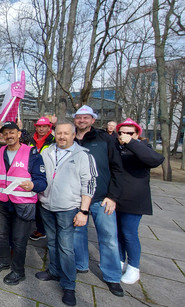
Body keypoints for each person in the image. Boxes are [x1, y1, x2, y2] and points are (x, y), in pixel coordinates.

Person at [36, 121, 97, 306]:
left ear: (73, 135)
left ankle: (69, 285)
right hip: (46, 205)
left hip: (68, 208)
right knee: (52, 242)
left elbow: (90, 183)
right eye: (59, 133)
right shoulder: (46, 151)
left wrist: (83, 211)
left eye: (66, 133)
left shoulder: (83, 155)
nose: (62, 136)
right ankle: (54, 271)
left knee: (66, 248)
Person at [0, 121, 47, 285]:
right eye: (5, 133)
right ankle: (4, 261)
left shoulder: (31, 153)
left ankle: (18, 271)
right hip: (2, 202)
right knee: (1, 235)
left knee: (19, 240)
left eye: (12, 132)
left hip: (23, 204)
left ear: (19, 134)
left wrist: (33, 185)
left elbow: (42, 181)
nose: (8, 136)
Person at [73, 105, 125, 297]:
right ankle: (80, 265)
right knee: (78, 235)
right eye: (79, 118)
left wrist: (113, 196)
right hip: (76, 198)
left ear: (93, 120)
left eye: (86, 118)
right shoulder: (69, 139)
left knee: (109, 239)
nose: (82, 121)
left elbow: (118, 169)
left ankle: (112, 277)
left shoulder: (105, 139)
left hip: (102, 199)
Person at [115, 118, 164, 284]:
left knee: (129, 233)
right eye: (122, 132)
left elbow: (155, 160)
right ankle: (120, 260)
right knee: (118, 232)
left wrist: (132, 143)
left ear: (137, 134)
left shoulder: (143, 148)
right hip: (116, 197)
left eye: (130, 133)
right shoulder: (116, 147)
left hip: (134, 199)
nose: (125, 136)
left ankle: (134, 266)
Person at [28, 116, 56, 241]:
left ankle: (47, 229)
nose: (41, 129)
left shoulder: (53, 140)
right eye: (39, 126)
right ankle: (40, 229)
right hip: (32, 172)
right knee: (36, 202)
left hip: (48, 172)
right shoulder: (30, 139)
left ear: (49, 127)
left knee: (45, 203)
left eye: (44, 126)